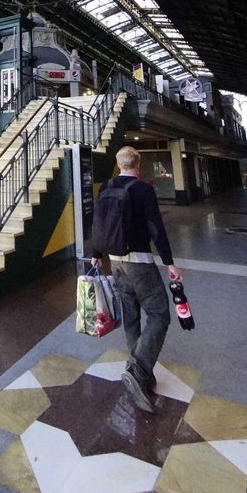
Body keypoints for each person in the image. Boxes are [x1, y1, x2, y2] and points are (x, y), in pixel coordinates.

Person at [99, 145, 181, 413]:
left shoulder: (107, 186)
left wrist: (95, 253)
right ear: (139, 164)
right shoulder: (143, 189)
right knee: (159, 314)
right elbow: (155, 227)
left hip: (115, 260)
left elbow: (99, 222)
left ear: (118, 163)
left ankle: (137, 371)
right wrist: (169, 262)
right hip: (139, 262)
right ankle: (139, 368)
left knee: (131, 315)